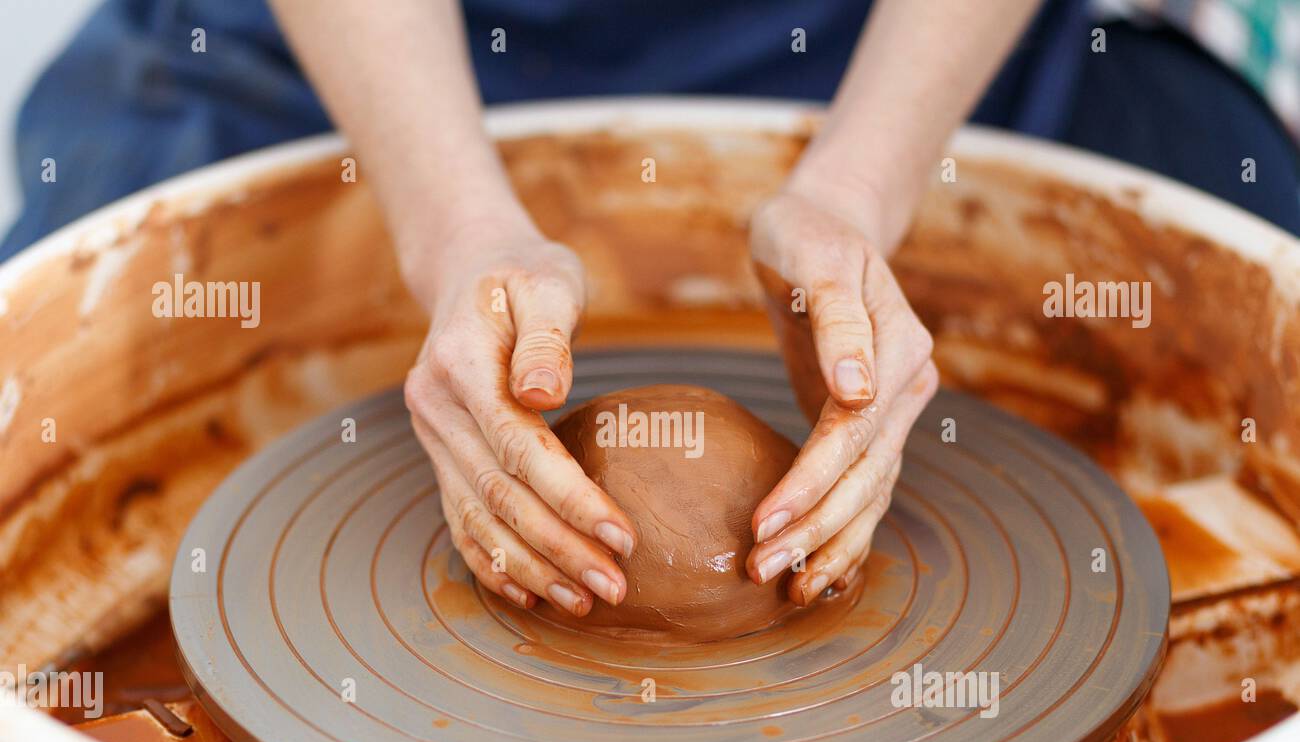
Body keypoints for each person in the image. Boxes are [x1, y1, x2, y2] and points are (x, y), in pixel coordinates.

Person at [4, 1, 1298, 619]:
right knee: (82, 330)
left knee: (1231, 271)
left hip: (886, 42)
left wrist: (858, 190)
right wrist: (455, 230)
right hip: (358, 52)